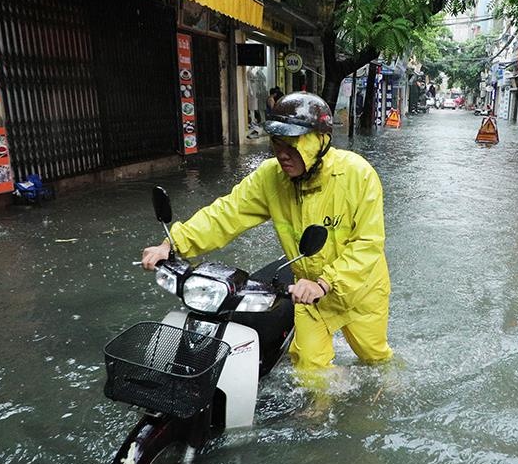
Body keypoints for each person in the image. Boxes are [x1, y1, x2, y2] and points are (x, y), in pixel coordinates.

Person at [140, 92, 393, 373]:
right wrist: (173, 243)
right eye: (276, 142)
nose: (282, 153)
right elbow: (226, 212)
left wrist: (325, 282)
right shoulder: (270, 177)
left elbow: (368, 244)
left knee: (375, 360)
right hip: (305, 293)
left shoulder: (359, 175)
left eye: (293, 143)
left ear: (320, 140)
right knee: (310, 371)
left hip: (361, 291)